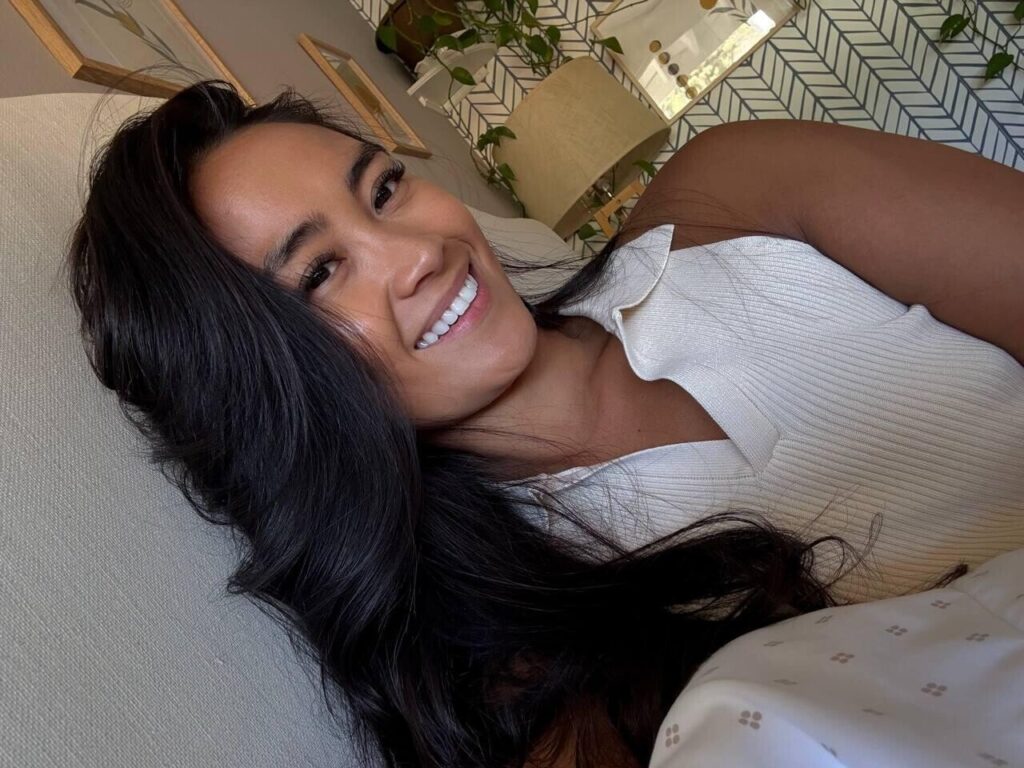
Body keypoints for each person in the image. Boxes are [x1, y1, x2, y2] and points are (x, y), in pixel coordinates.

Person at [66, 80, 1024, 768]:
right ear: (269, 396)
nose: (417, 253)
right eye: (319, 274)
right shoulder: (518, 662)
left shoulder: (741, 191)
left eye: (385, 188)